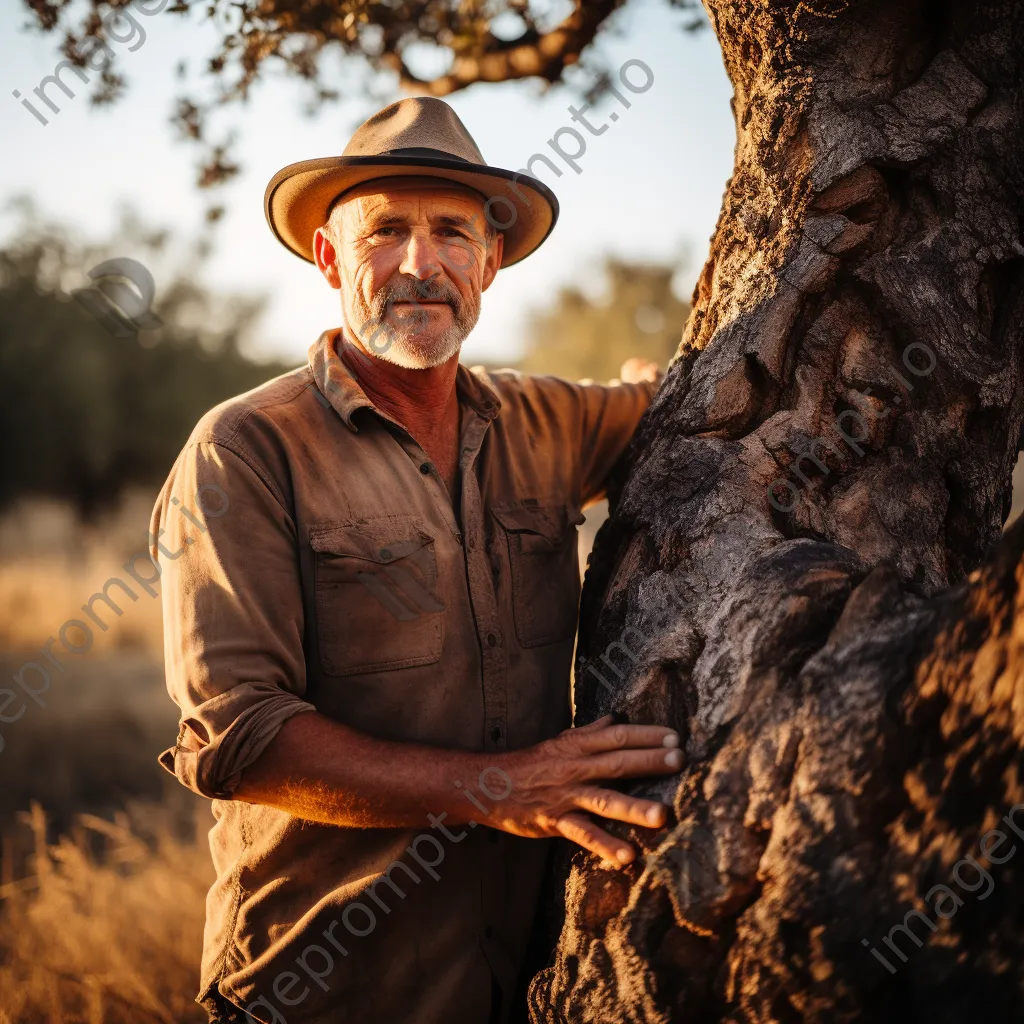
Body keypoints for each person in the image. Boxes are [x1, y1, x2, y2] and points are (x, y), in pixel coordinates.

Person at [153, 96, 681, 1024]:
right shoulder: (244, 451)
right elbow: (243, 740)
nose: (418, 264)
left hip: (528, 984)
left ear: (491, 261)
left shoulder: (545, 422)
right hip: (322, 988)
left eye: (450, 233)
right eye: (385, 230)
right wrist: (502, 792)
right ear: (328, 257)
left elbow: (672, 402)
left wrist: (653, 383)